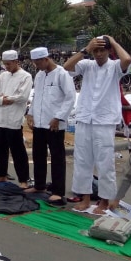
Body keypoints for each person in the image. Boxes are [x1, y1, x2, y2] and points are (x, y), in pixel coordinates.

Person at [64, 35, 131, 214]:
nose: (99, 54)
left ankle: (104, 201)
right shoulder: (87, 65)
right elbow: (66, 67)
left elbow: (127, 59)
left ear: (109, 51)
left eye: (103, 50)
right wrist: (85, 49)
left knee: (105, 162)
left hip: (105, 121)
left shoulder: (115, 67)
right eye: (96, 50)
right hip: (85, 118)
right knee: (82, 160)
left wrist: (114, 42)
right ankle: (85, 198)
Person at [25, 47, 76, 205]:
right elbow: (36, 97)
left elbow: (70, 97)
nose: (37, 66)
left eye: (38, 62)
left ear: (46, 59)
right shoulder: (39, 76)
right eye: (35, 63)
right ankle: (39, 185)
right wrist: (30, 113)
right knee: (38, 155)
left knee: (57, 158)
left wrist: (58, 117)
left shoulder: (62, 74)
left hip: (54, 124)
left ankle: (58, 192)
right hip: (39, 123)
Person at [0, 50, 32, 188]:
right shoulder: (3, 76)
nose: (7, 67)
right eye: (5, 64)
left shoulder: (25, 76)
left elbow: (23, 96)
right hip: (1, 118)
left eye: (9, 64)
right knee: (0, 148)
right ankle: (2, 174)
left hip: (14, 118)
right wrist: (1, 100)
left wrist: (6, 98)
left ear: (17, 61)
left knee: (17, 151)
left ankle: (23, 180)